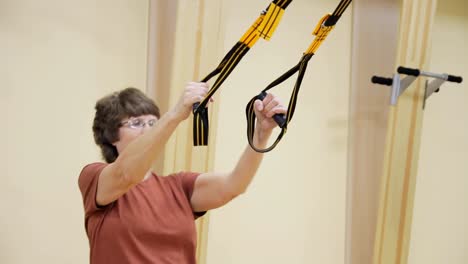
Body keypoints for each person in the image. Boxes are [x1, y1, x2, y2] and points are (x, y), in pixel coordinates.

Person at [78, 82, 287, 263]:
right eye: (136, 123)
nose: (149, 129)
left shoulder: (178, 186)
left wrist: (261, 134)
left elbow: (235, 184)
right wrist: (175, 115)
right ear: (110, 136)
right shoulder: (94, 177)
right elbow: (126, 175)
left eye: (153, 122)